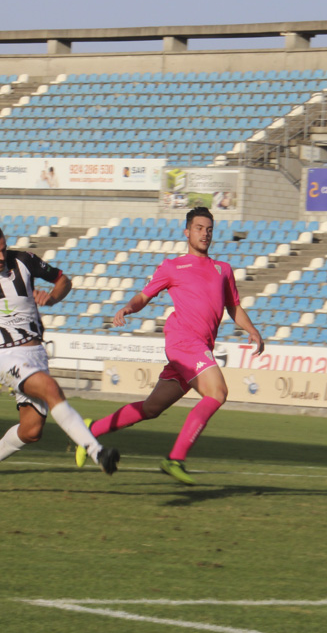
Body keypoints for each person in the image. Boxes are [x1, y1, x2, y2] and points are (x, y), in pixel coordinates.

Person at [75, 207, 264, 485]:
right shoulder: (172, 267)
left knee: (152, 408)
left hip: (199, 347)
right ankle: (175, 458)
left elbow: (232, 306)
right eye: (199, 228)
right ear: (187, 232)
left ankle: (90, 430)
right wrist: (129, 307)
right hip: (183, 342)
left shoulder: (222, 270)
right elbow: (144, 295)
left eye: (209, 229)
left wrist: (253, 330)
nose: (205, 233)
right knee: (218, 392)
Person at [0, 223, 118, 491]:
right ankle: (97, 451)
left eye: (3, 249)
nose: (1, 256)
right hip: (4, 355)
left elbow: (63, 279)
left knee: (32, 431)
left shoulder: (22, 260)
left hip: (36, 353)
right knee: (51, 389)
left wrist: (53, 297)